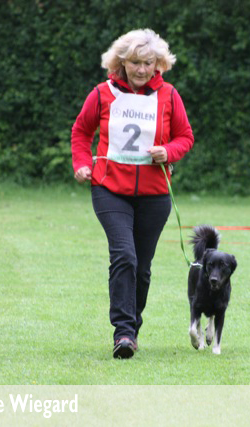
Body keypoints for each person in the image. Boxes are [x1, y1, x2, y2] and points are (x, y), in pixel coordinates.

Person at [71, 29, 194, 359]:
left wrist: (168, 152)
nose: (142, 70)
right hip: (110, 190)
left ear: (159, 64)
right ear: (121, 62)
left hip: (155, 196)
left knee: (141, 266)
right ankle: (123, 333)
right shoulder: (102, 93)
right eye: (135, 63)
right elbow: (82, 132)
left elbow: (185, 136)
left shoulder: (169, 95)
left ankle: (132, 328)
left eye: (149, 63)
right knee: (124, 255)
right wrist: (82, 163)